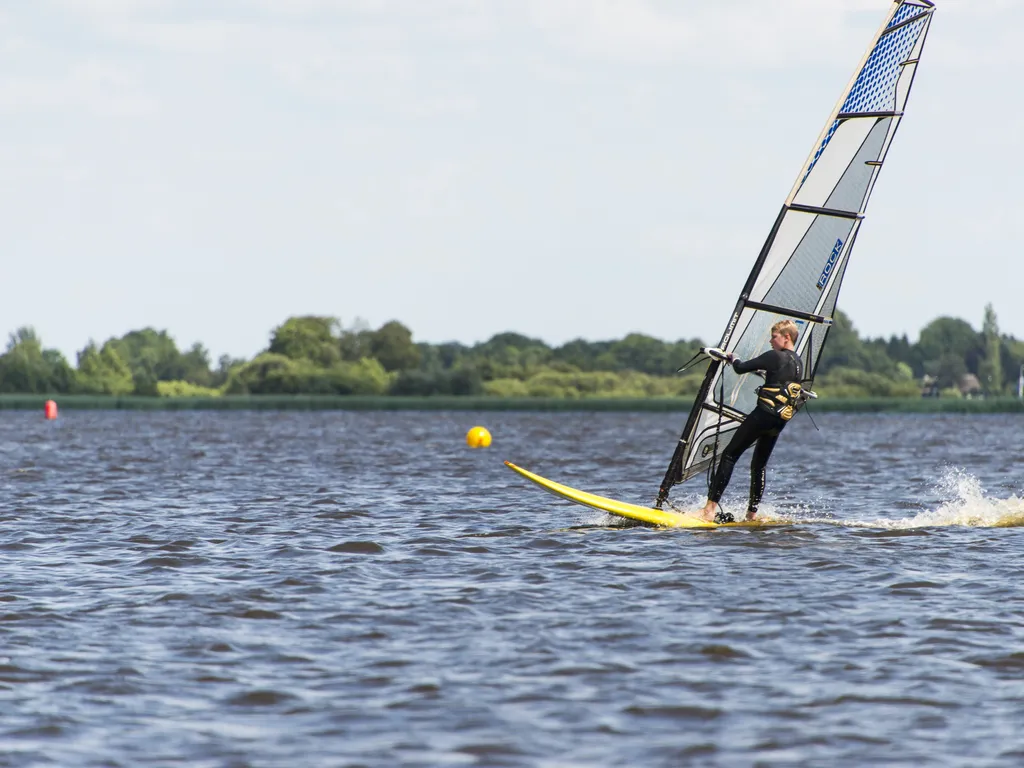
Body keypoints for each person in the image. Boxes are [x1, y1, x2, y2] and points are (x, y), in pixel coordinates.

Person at [697, 319, 805, 524]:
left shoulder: (775, 355)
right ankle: (751, 515)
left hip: (762, 416)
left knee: (729, 455)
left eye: (774, 337)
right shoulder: (798, 362)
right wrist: (766, 374)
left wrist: (732, 357)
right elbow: (781, 379)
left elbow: (740, 367)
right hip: (778, 423)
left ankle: (709, 510)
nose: (770, 341)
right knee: (758, 467)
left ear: (786, 337)